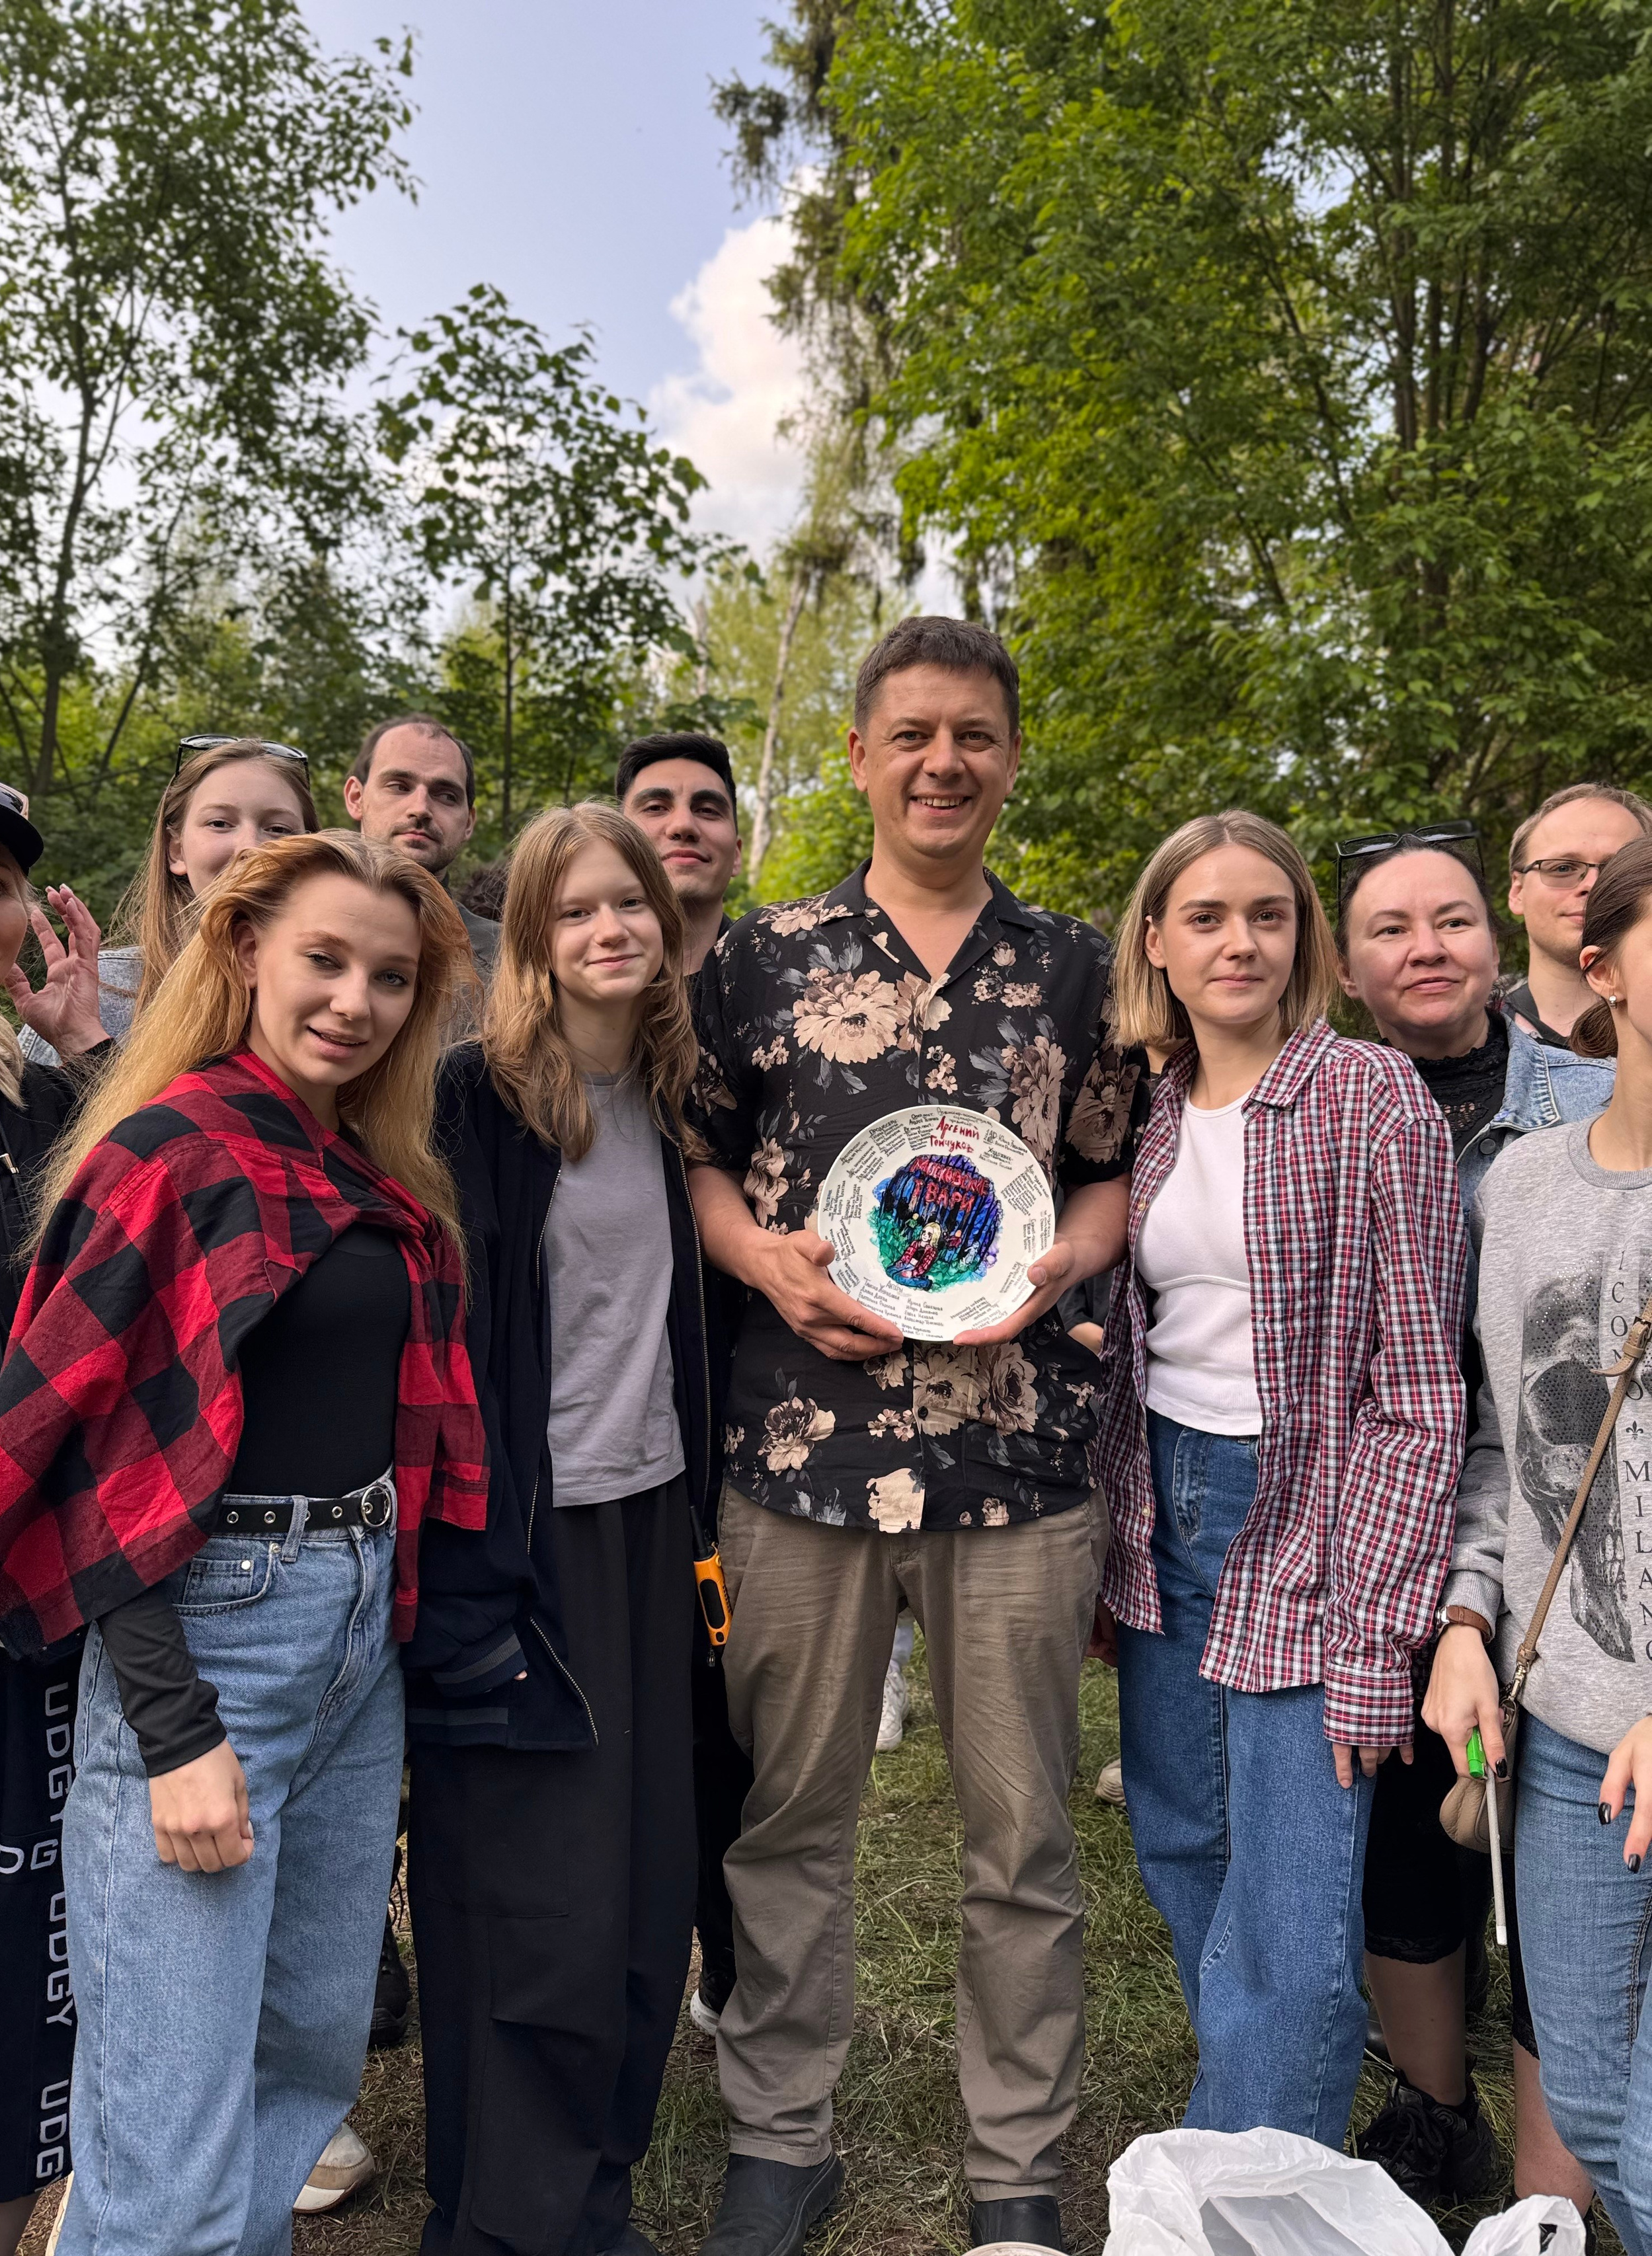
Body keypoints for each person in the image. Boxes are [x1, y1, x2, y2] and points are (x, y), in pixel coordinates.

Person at [0, 831, 487, 2256]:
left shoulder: (363, 1159)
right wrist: (179, 1724)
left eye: (389, 976)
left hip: (352, 1630)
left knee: (303, 2068)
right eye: (324, 958)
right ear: (245, 947)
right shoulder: (164, 1147)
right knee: (170, 2129)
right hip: (208, 1637)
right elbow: (82, 1460)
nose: (354, 1000)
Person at [687, 615, 1139, 2256]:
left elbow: (1103, 1167)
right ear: (862, 757)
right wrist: (757, 1259)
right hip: (799, 1447)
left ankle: (1016, 2159)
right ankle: (775, 2130)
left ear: (1009, 757)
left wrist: (1062, 1262)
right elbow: (700, 1156)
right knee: (787, 1811)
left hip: (1012, 1455)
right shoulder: (756, 956)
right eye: (912, 735)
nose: (943, 762)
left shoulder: (1083, 968)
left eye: (975, 735)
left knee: (1016, 1830)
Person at [1095, 810, 1467, 2151]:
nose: (1237, 938)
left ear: (1303, 935)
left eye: (1265, 912)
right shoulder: (1141, 1107)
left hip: (1309, 1507)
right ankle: (1256, 2125)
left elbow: (1420, 1386)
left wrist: (1376, 1628)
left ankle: (1247, 2186)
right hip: (1164, 1501)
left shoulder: (1368, 1094)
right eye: (1203, 915)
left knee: (1300, 1905)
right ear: (1156, 940)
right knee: (1182, 1837)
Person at [405, 802, 715, 2256]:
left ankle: (594, 2188)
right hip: (519, 1541)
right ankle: (501, 2217)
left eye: (631, 905)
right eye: (577, 908)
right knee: (534, 1894)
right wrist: (463, 1567)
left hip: (654, 1527)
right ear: (529, 935)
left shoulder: (672, 1095)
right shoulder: (474, 1101)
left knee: (649, 1882)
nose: (610, 929)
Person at [1337, 826, 1610, 2214]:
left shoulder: (1589, 1097)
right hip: (1393, 1501)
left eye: (1447, 919)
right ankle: (1430, 2104)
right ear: (1347, 962)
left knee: (1546, 1838)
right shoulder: (1324, 1097)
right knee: (1412, 1807)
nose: (1423, 946)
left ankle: (1548, 2180)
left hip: (1558, 1501)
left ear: (1495, 940)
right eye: (1388, 927)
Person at [1427, 833, 1652, 2256]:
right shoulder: (1519, 1189)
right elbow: (1510, 1445)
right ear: (1600, 964)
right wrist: (1462, 1621)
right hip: (1567, 1721)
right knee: (1584, 2090)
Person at [0, 777, 109, 2256]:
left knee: (17, 1963)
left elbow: (189, 1191)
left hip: (17, 1615)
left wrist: (86, 1042)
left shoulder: (42, 1108)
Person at [617, 730, 751, 2033]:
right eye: (652, 803)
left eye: (706, 805)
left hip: (752, 1387)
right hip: (611, 1395)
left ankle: (728, 1957)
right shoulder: (583, 985)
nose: (682, 822)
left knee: (728, 1705)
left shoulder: (773, 983)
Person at [19, 734, 317, 1064]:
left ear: (312, 855)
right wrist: (85, 1046)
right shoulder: (104, 992)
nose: (250, 846)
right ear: (177, 850)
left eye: (278, 829)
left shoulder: (342, 994)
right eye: (220, 823)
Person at [346, 715, 498, 979]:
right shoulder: (289, 925)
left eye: (446, 796)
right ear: (356, 798)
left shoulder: (509, 964)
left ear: (469, 823)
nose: (421, 809)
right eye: (399, 786)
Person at [1504, 783, 1652, 1047]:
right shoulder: (1463, 1035)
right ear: (1517, 891)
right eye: (1562, 868)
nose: (1593, 886)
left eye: (1615, 871)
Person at [617, 731, 743, 974]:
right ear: (615, 844)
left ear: (736, 856)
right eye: (655, 808)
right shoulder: (559, 992)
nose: (684, 825)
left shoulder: (795, 980)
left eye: (707, 810)